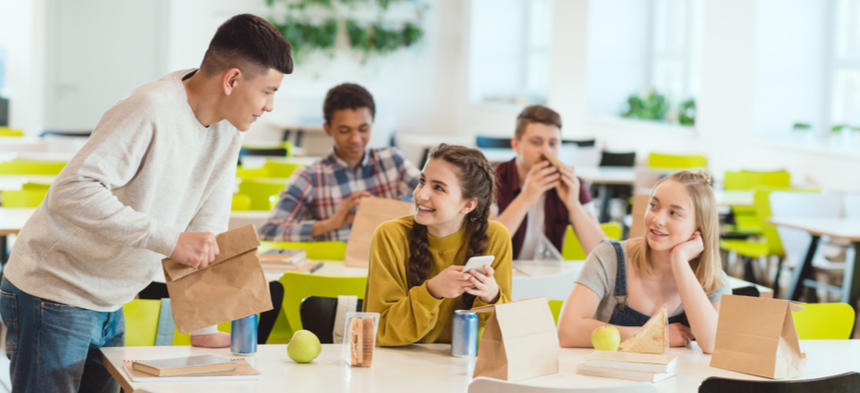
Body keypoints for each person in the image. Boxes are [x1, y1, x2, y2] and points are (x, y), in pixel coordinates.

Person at [0, 14, 292, 392]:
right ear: (233, 79)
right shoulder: (151, 108)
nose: (270, 107)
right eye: (268, 91)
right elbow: (74, 191)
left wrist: (204, 327)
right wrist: (170, 240)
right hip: (55, 293)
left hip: (111, 299)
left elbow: (206, 231)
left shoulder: (229, 127)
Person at [556, 171, 729, 354]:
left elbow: (712, 343)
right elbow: (568, 332)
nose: (658, 219)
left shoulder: (712, 278)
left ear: (699, 227)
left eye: (674, 213)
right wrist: (653, 336)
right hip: (608, 379)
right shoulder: (609, 258)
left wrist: (679, 261)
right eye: (654, 206)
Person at [364, 144, 512, 346]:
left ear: (468, 205)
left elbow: (502, 336)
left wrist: (492, 297)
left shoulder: (496, 237)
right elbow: (380, 330)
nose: (421, 194)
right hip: (398, 366)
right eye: (422, 182)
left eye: (438, 188)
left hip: (463, 368)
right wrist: (433, 290)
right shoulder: (390, 236)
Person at [258, 83, 420, 242]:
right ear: (328, 128)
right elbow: (268, 231)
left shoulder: (392, 160)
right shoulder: (310, 176)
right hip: (336, 265)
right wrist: (331, 223)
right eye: (344, 130)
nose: (355, 139)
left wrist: (380, 208)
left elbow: (432, 197)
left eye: (363, 129)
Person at [493, 105, 605, 260]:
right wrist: (526, 198)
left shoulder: (571, 183)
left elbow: (601, 255)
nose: (546, 151)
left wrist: (573, 205)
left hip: (550, 277)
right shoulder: (493, 179)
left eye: (553, 143)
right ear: (516, 145)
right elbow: (489, 248)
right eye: (536, 142)